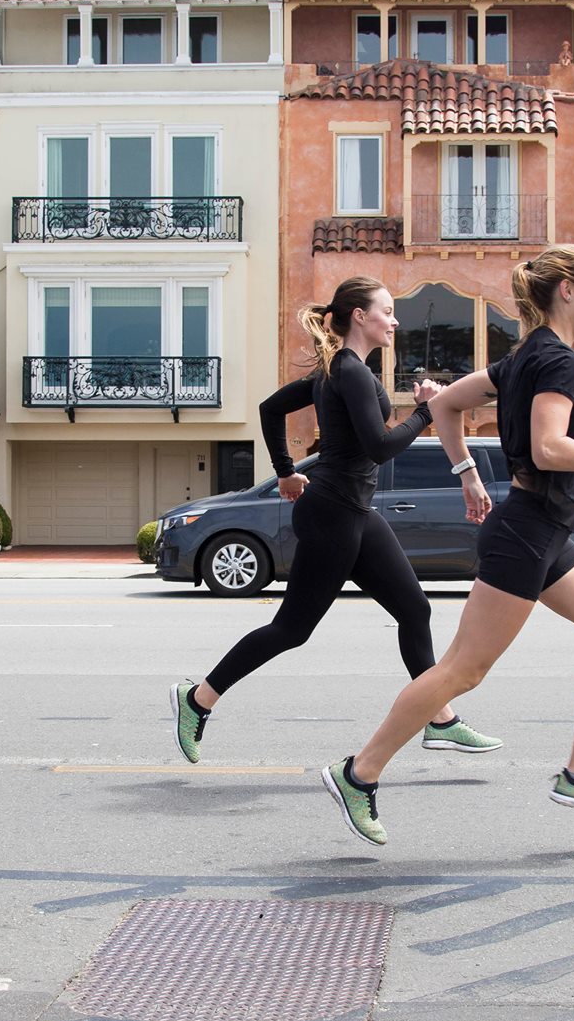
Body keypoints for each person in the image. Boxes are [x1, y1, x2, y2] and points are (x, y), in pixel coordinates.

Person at [320, 246, 574, 845]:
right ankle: (359, 772)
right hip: (527, 533)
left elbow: (445, 403)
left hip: (543, 530)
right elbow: (549, 449)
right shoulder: (555, 362)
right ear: (566, 291)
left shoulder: (524, 357)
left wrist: (467, 473)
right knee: (464, 670)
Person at [172, 277, 501, 762]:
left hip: (352, 510)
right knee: (292, 629)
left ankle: (440, 718)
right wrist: (425, 410)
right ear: (359, 317)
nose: (394, 319)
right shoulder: (347, 370)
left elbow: (270, 410)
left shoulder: (340, 371)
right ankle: (198, 699)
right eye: (387, 310)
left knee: (414, 610)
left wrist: (287, 472)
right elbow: (380, 446)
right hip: (332, 513)